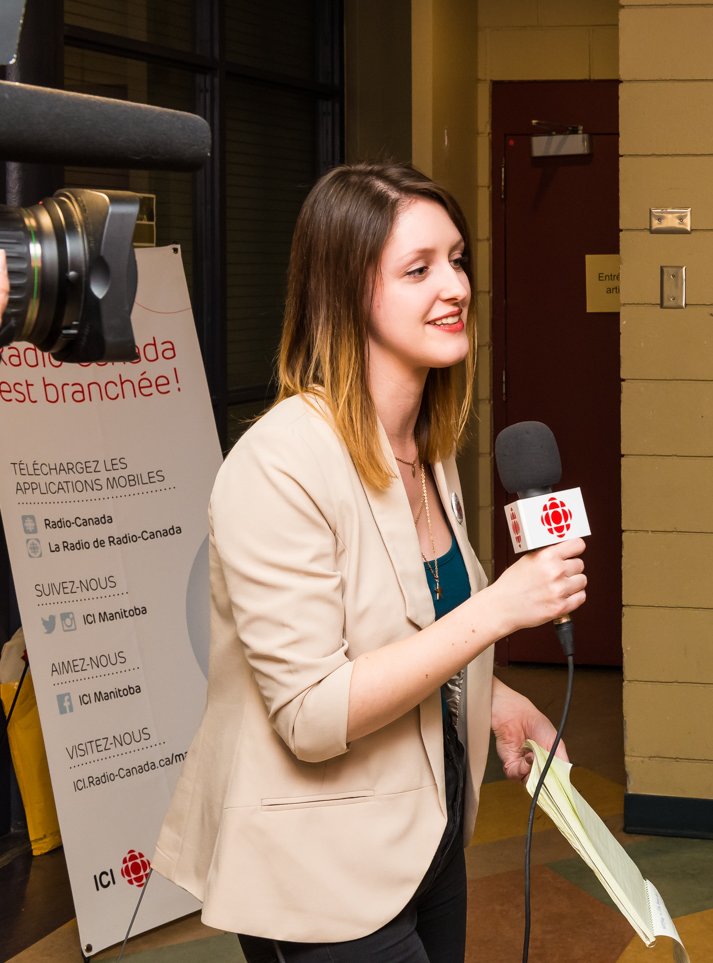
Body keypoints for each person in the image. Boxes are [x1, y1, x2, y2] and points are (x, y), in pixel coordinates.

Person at [154, 163, 587, 962]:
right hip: (321, 876)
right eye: (418, 269)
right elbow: (313, 715)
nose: (454, 286)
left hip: (427, 842)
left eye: (457, 259)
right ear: (346, 290)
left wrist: (497, 697)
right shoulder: (279, 464)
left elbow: (408, 627)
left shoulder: (425, 450)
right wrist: (501, 610)